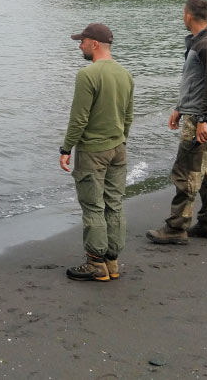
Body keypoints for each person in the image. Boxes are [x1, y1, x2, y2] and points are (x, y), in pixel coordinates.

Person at [60, 23, 134, 282]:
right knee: (114, 204)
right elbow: (128, 116)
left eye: (82, 41)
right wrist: (120, 139)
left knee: (92, 205)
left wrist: (66, 148)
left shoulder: (87, 74)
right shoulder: (125, 74)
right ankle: (112, 262)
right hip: (118, 148)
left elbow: (78, 119)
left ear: (94, 44)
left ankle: (95, 263)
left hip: (93, 150)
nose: (79, 45)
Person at [147, 0, 207, 244]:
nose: (183, 17)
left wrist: (202, 118)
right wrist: (180, 108)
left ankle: (176, 227)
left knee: (186, 171)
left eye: (183, 13)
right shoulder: (200, 42)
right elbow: (195, 81)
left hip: (201, 117)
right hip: (198, 113)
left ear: (188, 16)